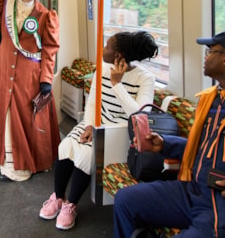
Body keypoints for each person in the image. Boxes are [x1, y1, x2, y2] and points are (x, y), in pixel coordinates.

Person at [113, 29, 225, 238]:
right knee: (125, 200)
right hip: (191, 190)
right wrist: (164, 144)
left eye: (210, 51)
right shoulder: (211, 99)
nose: (205, 57)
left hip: (218, 204)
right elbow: (202, 148)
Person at [40, 31, 158, 230]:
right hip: (97, 123)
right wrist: (89, 125)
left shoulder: (145, 78)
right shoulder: (101, 69)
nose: (102, 50)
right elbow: (93, 103)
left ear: (118, 55)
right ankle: (58, 197)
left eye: (107, 47)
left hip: (119, 132)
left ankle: (71, 205)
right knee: (66, 145)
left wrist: (117, 84)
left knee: (85, 154)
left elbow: (138, 115)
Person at [0, 0, 60, 182]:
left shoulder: (45, 15)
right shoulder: (4, 5)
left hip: (28, 73)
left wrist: (46, 79)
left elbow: (50, 49)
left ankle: (23, 164)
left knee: (23, 117)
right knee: (4, 112)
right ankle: (5, 160)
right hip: (4, 67)